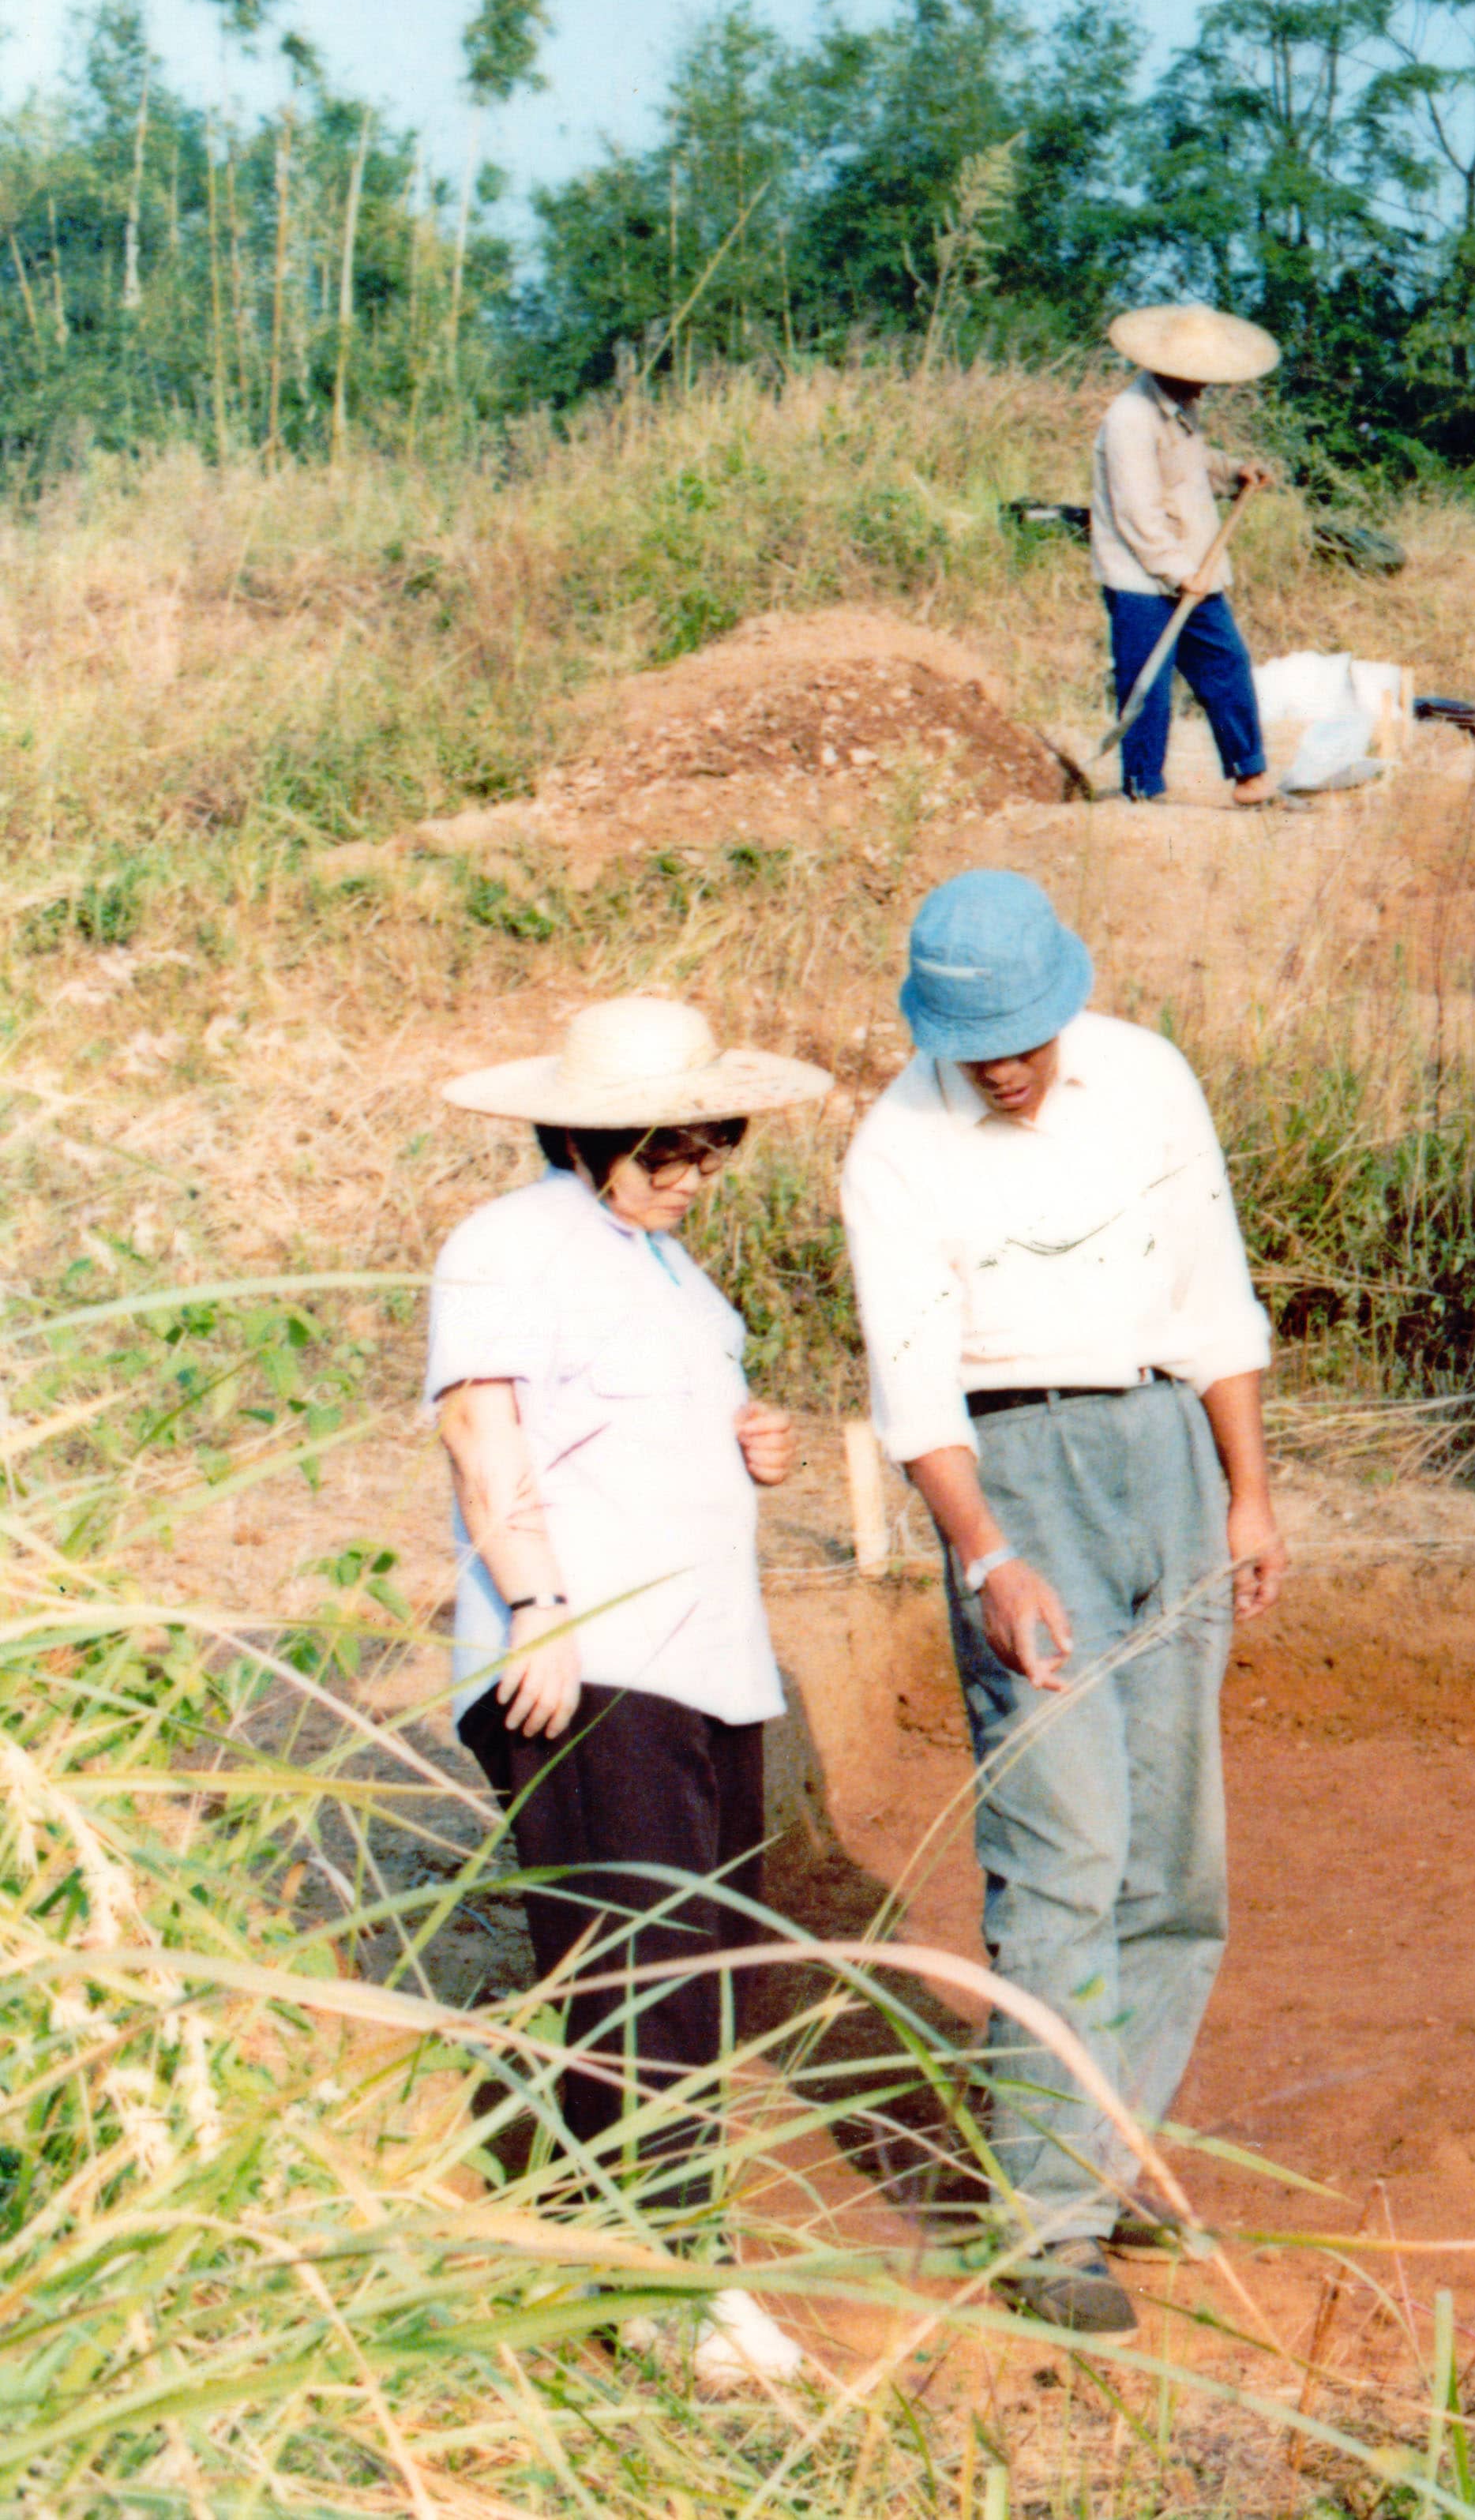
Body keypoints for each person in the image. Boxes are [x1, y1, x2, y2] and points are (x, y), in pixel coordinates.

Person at [839, 869, 1291, 2336]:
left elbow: (1213, 1291)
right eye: (984, 1045)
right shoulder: (895, 1148)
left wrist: (1248, 1489)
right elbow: (914, 1383)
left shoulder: (1145, 1076)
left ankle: (1102, 2148)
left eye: (1029, 1033)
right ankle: (1045, 2221)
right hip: (1013, 1470)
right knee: (1061, 1851)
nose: (1012, 1065)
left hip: (1161, 1447)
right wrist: (985, 1553)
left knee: (1174, 1862)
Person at [430, 996, 835, 2389]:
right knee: (640, 1964)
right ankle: (667, 2285)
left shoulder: (672, 1270)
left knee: (701, 1957)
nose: (691, 1171)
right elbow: (482, 1428)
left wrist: (750, 1438)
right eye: (663, 1148)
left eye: (709, 1146)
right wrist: (537, 1604)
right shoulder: (508, 1245)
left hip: (707, 1657)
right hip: (593, 1660)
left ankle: (612, 2240)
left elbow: (645, 1423)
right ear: (587, 1133)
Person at [1092, 302, 1285, 808]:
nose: (1206, 385)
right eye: (1197, 375)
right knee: (1148, 682)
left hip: (1194, 566)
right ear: (1168, 367)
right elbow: (1138, 510)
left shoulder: (1180, 408)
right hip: (1142, 575)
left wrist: (1235, 471)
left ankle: (1250, 776)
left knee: (1226, 663)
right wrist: (1177, 572)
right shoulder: (1130, 419)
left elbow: (1191, 466)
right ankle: (1142, 789)